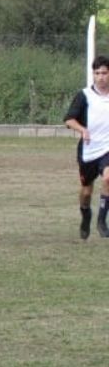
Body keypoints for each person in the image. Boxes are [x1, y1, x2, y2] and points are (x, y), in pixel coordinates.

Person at [64, 55, 109, 240]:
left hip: (107, 148)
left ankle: (101, 220)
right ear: (93, 75)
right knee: (86, 191)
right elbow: (69, 119)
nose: (101, 77)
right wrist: (82, 129)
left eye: (104, 73)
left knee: (108, 178)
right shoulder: (84, 96)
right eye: (97, 73)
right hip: (89, 150)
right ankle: (85, 215)